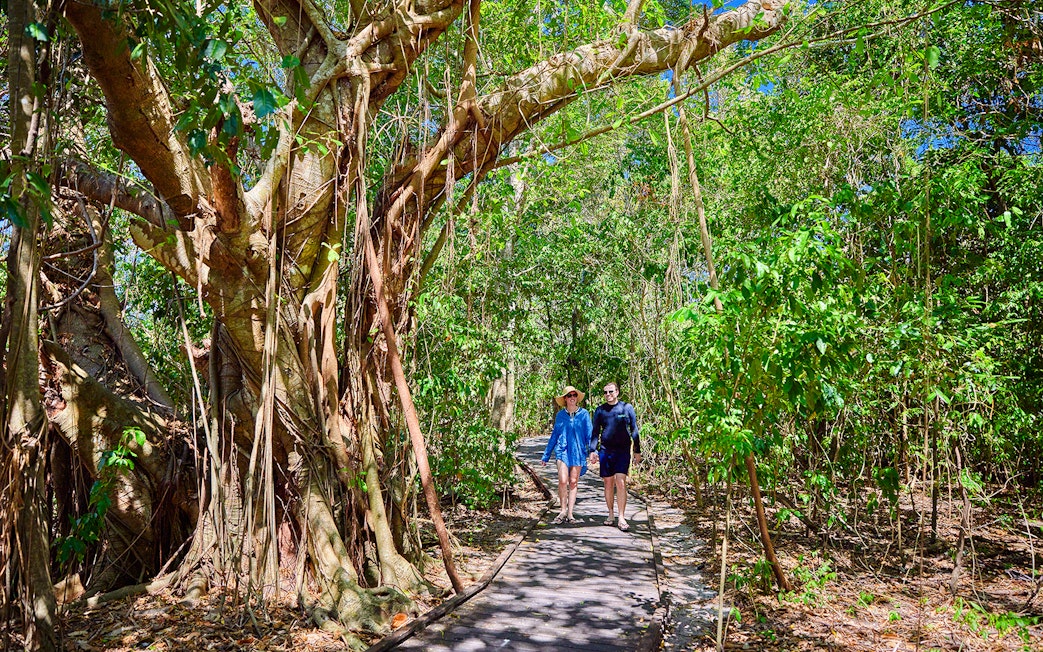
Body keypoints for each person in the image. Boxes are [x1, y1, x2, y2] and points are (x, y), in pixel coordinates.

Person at [588, 382, 641, 531]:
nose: (608, 395)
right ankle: (611, 514)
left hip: (623, 451)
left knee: (621, 481)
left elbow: (634, 430)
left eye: (611, 391)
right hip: (606, 451)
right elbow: (595, 432)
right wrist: (593, 450)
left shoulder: (627, 408)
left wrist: (637, 450)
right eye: (605, 392)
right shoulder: (600, 411)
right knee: (608, 483)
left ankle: (622, 517)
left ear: (617, 392)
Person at [541, 385, 591, 524]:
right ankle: (562, 511)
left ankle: (570, 513)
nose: (572, 398)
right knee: (563, 480)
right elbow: (554, 435)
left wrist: (593, 451)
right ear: (565, 399)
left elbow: (589, 434)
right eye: (569, 396)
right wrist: (546, 455)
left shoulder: (584, 414)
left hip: (578, 451)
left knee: (573, 482)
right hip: (562, 450)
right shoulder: (560, 416)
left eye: (574, 395)